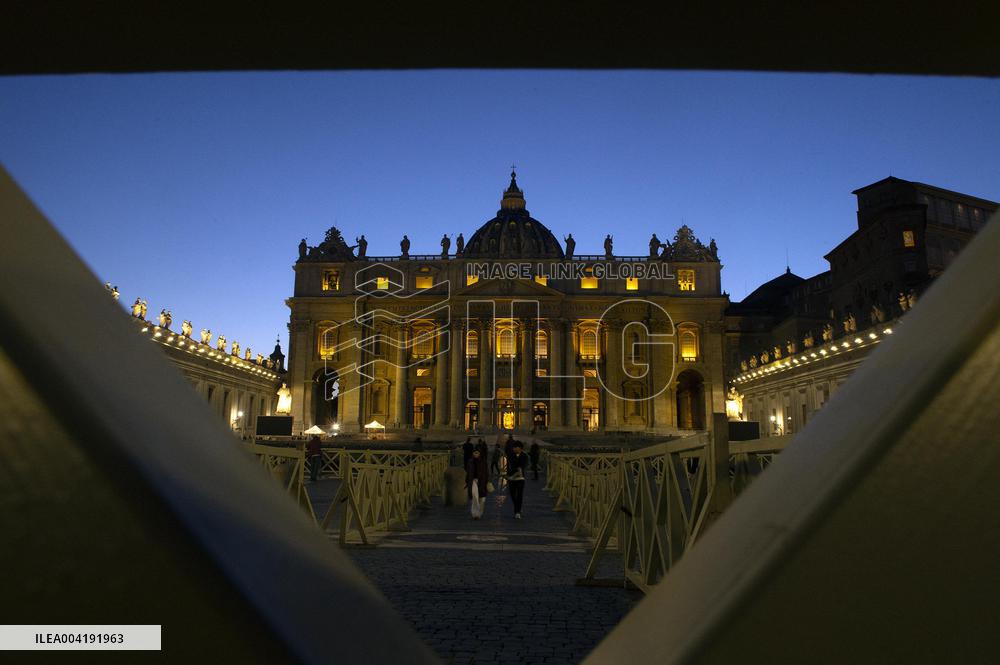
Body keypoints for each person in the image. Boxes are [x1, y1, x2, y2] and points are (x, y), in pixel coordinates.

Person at [465, 448, 489, 519]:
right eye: (474, 453)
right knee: (474, 497)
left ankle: (480, 513)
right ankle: (475, 513)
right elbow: (468, 472)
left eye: (477, 453)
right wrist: (467, 481)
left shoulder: (483, 462)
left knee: (482, 499)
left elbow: (486, 472)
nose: (476, 454)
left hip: (482, 481)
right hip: (473, 481)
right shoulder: (470, 461)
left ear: (480, 454)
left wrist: (487, 481)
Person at [507, 441, 528, 519]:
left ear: (520, 448)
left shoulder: (524, 456)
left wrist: (517, 469)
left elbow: (522, 466)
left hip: (520, 478)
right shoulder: (511, 455)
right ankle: (517, 507)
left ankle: (517, 512)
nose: (514, 449)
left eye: (515, 447)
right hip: (511, 478)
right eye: (513, 447)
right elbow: (511, 466)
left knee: (519, 495)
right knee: (512, 494)